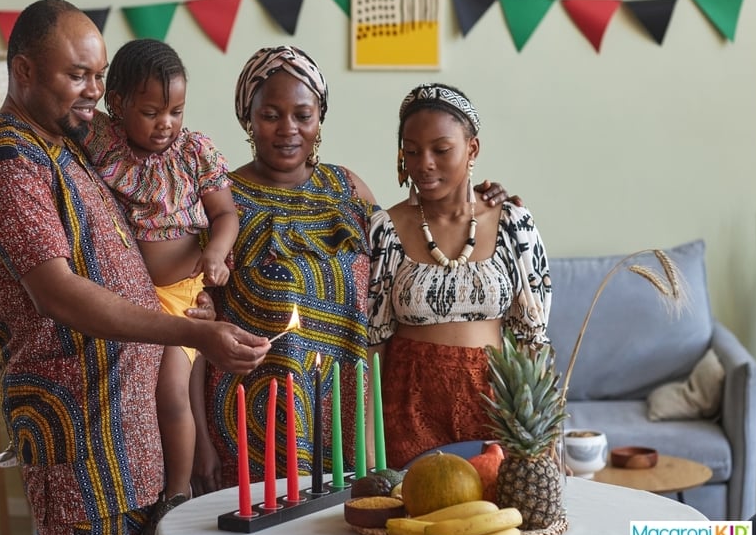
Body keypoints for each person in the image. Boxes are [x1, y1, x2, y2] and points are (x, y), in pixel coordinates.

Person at [0, 0, 268, 535]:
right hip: (83, 439)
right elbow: (59, 294)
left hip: (130, 428)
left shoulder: (69, 142)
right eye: (78, 75)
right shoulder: (3, 158)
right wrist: (190, 329)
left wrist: (190, 287)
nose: (95, 91)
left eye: (99, 76)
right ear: (23, 71)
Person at [190, 47, 516, 494]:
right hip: (256, 422)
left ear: (319, 119)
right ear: (248, 117)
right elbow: (190, 309)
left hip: (354, 416)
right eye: (270, 114)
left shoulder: (348, 188)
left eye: (303, 115)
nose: (288, 129)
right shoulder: (221, 200)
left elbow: (414, 245)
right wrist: (199, 440)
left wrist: (478, 195)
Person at [81, 38, 237, 535]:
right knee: (137, 401)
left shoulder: (193, 152)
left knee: (171, 393)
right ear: (117, 104)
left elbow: (226, 214)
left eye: (175, 110)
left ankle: (175, 496)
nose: (165, 122)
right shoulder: (102, 143)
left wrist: (215, 253)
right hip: (129, 297)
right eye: (150, 111)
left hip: (181, 295)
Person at [368, 83, 551, 470]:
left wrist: (546, 445)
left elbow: (532, 342)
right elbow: (375, 345)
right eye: (412, 151)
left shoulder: (513, 224)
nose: (424, 164)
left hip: (494, 407)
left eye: (441, 149)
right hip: (408, 411)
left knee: (492, 525)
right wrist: (370, 447)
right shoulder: (385, 228)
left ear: (473, 149)